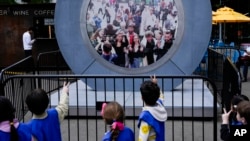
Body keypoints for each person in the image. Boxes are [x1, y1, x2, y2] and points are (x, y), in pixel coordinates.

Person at [138, 75, 168, 141]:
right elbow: (161, 97)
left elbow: (142, 138)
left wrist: (154, 85)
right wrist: (155, 85)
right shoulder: (160, 106)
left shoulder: (146, 116)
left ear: (142, 98)